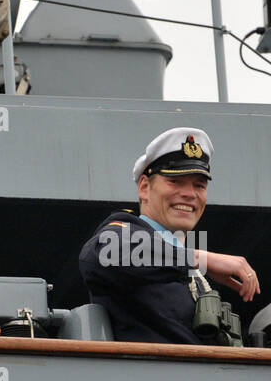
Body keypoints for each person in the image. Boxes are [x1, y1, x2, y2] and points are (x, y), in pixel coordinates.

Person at [78, 127, 259, 343]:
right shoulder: (122, 234)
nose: (189, 194)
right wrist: (201, 259)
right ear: (144, 187)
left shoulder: (185, 268)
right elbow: (102, 253)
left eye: (199, 185)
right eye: (175, 182)